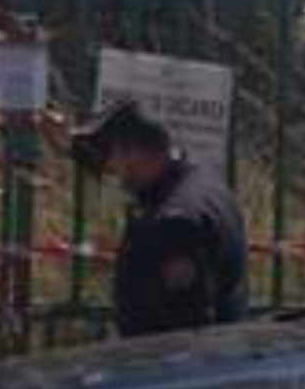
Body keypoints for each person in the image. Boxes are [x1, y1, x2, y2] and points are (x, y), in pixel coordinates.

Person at [64, 100, 248, 337]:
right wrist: (69, 145)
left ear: (133, 153)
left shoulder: (176, 222)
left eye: (111, 160)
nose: (112, 171)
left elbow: (184, 327)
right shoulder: (204, 183)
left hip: (173, 357)